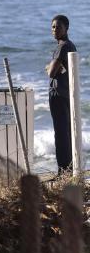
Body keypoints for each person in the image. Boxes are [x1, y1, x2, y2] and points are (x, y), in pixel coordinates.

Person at [46, 14, 77, 174]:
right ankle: (68, 168)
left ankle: (63, 171)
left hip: (58, 94)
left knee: (60, 134)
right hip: (66, 93)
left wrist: (49, 67)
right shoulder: (70, 45)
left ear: (66, 28)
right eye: (52, 27)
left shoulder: (62, 46)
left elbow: (51, 72)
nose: (55, 30)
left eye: (58, 27)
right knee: (66, 132)